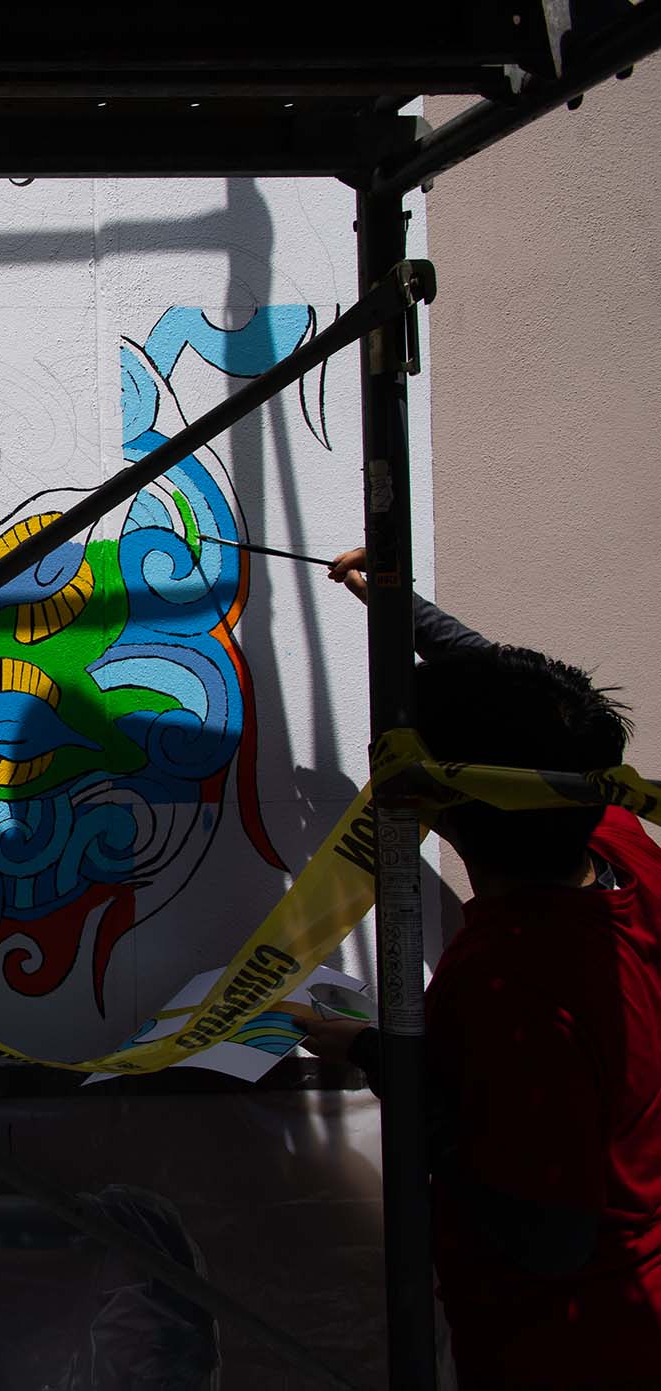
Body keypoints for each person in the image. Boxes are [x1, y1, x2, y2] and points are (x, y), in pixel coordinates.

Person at [307, 550, 661, 1388]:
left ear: (433, 802)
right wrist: (400, 609)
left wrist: (380, 1057)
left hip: (563, 1350)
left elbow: (548, 1236)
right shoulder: (616, 846)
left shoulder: (510, 983)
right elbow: (536, 719)